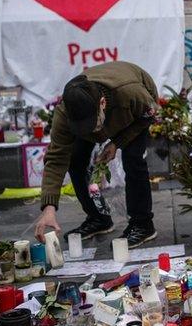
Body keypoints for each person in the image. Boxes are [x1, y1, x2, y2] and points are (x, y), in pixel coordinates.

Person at [34, 62, 159, 248]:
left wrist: (117, 143)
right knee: (75, 160)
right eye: (83, 128)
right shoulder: (65, 113)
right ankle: (98, 218)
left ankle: (142, 224)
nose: (91, 132)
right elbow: (56, 158)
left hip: (133, 111)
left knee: (133, 159)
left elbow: (148, 115)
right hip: (99, 109)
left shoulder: (131, 94)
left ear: (102, 104)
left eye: (93, 125)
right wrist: (48, 208)